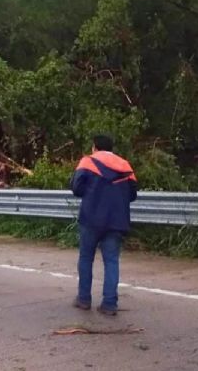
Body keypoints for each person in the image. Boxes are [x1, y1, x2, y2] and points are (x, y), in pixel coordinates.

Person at [71, 135, 138, 316]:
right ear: (112, 148)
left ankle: (84, 299)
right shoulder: (125, 165)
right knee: (111, 261)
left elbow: (76, 188)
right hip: (116, 221)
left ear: (95, 147)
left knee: (86, 258)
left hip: (91, 218)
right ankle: (109, 303)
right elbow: (132, 195)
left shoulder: (87, 162)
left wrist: (92, 193)